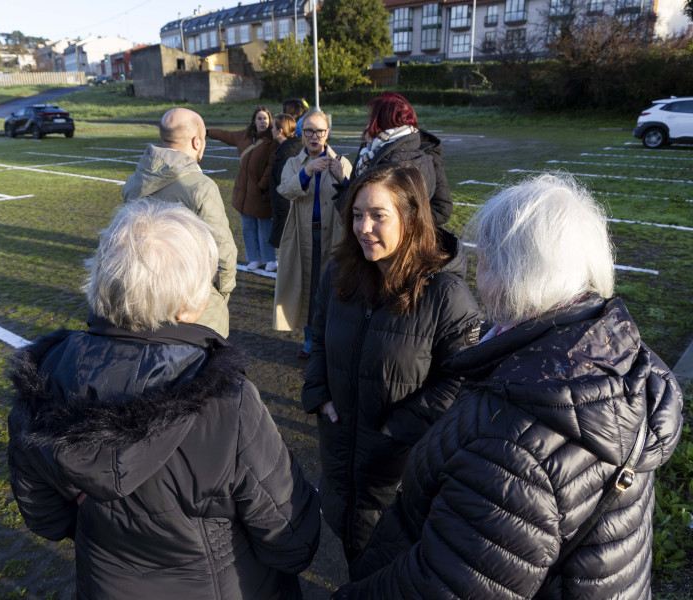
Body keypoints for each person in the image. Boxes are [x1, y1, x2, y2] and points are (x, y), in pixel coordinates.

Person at [335, 173, 684, 599]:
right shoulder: (610, 356)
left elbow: (444, 585)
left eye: (485, 260)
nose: (476, 273)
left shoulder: (513, 443)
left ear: (516, 273)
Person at [8, 200, 321, 600]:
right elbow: (291, 539)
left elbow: (46, 518)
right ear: (190, 302)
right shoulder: (228, 402)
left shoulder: (43, 379)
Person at [301, 163, 482, 563]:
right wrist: (319, 395)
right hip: (340, 464)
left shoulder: (446, 297)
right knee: (354, 557)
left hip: (400, 480)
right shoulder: (338, 275)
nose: (363, 227)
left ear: (412, 218)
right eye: (356, 214)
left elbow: (464, 384)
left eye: (378, 215)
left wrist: (398, 427)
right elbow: (317, 339)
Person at [122, 107, 237, 338]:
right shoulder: (201, 187)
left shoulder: (134, 183)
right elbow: (223, 251)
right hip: (190, 301)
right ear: (197, 142)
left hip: (143, 295)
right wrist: (220, 293)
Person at [275, 109, 353, 358]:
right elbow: (284, 189)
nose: (314, 136)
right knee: (308, 289)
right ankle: (309, 340)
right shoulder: (293, 163)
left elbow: (355, 199)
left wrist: (342, 178)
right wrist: (306, 172)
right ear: (301, 134)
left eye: (319, 131)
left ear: (327, 133)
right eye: (308, 131)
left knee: (333, 288)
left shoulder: (342, 161)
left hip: (335, 236)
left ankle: (330, 339)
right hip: (303, 236)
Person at [333, 92, 452, 227]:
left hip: (383, 244)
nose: (368, 125)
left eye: (371, 119)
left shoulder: (384, 160)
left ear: (381, 122)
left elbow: (352, 211)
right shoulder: (373, 150)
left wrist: (403, 229)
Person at [208, 106, 277, 271]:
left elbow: (271, 165)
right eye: (259, 118)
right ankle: (254, 258)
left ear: (270, 120)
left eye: (265, 118)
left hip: (262, 193)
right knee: (247, 227)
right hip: (244, 192)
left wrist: (262, 185)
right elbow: (226, 135)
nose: (262, 121)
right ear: (254, 120)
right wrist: (207, 131)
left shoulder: (272, 140)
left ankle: (270, 259)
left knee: (264, 227)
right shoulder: (244, 136)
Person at [268, 113, 302, 250]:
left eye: (273, 127)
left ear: (280, 131)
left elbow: (285, 184)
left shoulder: (286, 153)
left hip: (286, 208)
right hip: (287, 206)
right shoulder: (290, 148)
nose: (271, 130)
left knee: (286, 247)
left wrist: (280, 212)